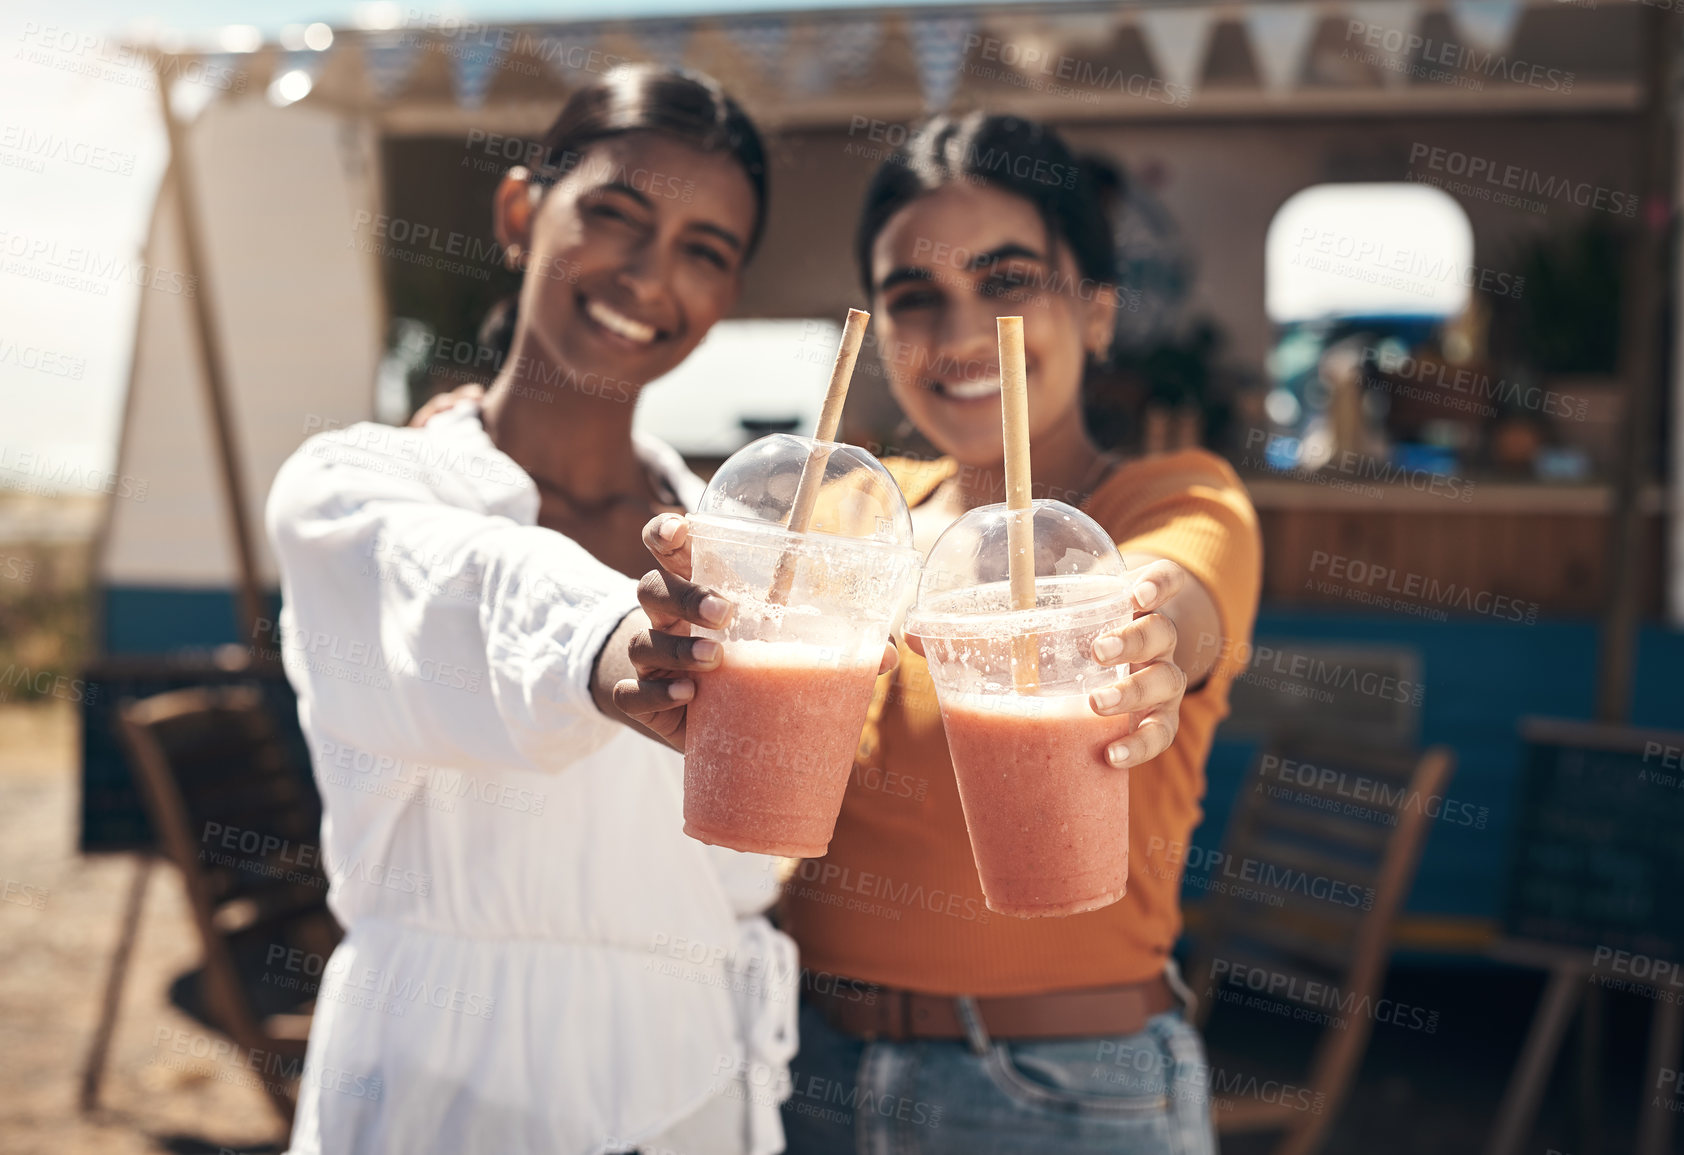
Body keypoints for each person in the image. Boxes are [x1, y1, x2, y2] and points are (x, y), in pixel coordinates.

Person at [625, 113, 1262, 1153]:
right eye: (914, 296)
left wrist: (1148, 640)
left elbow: (1173, 599)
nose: (961, 328)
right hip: (808, 1068)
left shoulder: (1169, 500)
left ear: (1096, 312)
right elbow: (696, 588)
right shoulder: (851, 521)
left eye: (1008, 281)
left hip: (1059, 1094)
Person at [266, 65, 815, 1155]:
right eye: (615, 216)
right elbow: (456, 592)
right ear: (520, 212)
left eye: (705, 251)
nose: (649, 276)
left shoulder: (742, 557)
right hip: (451, 1083)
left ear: (727, 297)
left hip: (697, 1080)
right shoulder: (358, 489)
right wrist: (610, 646)